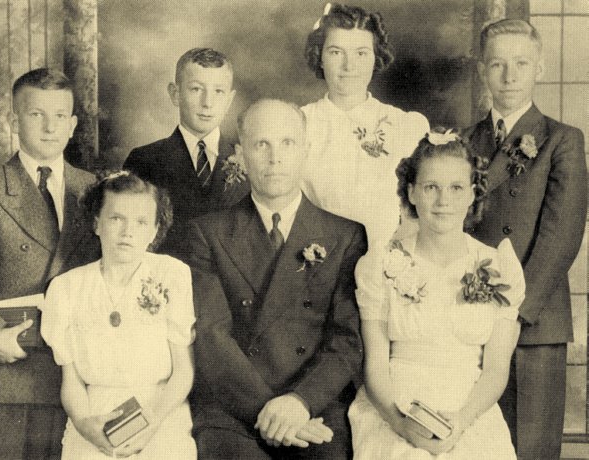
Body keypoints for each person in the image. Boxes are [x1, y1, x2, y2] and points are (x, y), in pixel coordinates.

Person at [0, 68, 101, 458]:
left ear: (73, 125)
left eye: (60, 116)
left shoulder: (94, 190)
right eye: (36, 114)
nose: (49, 127)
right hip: (13, 375)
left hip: (85, 373)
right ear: (14, 120)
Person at [188, 99, 367, 459]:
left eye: (287, 143)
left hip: (314, 403)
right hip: (233, 406)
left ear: (305, 150)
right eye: (261, 144)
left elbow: (347, 341)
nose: (275, 158)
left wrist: (299, 403)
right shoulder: (208, 233)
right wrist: (268, 412)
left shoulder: (345, 235)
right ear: (240, 155)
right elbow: (211, 337)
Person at [348, 129, 526, 459]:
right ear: (412, 193)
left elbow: (495, 371)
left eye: (456, 188)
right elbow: (375, 367)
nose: (444, 201)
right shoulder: (380, 264)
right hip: (395, 407)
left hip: (471, 409)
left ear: (472, 193)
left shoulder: (499, 267)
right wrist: (401, 424)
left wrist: (460, 422)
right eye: (431, 187)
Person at [465, 19, 587, 459]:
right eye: (498, 64)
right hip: (469, 316)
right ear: (483, 71)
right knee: (475, 445)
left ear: (539, 68)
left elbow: (561, 237)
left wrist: (513, 314)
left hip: (532, 320)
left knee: (529, 450)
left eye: (521, 63)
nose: (509, 75)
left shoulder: (562, 140)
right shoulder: (463, 141)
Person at [40, 171, 197, 459]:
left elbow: (183, 371)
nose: (128, 232)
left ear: (154, 230)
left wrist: (152, 423)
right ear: (97, 223)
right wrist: (84, 424)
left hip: (161, 412)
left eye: (141, 222)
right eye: (116, 219)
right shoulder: (66, 288)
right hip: (95, 415)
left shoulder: (172, 275)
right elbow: (71, 381)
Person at [301, 2, 430, 246]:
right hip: (316, 257)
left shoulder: (405, 126)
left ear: (375, 58)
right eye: (336, 52)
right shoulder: (299, 123)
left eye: (361, 53)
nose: (349, 66)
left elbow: (419, 213)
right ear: (320, 58)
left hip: (388, 256)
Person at [124, 47, 249, 261]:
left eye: (218, 91)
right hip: (167, 276)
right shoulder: (145, 160)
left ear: (229, 100)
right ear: (175, 94)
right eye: (196, 89)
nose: (207, 103)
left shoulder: (247, 159)